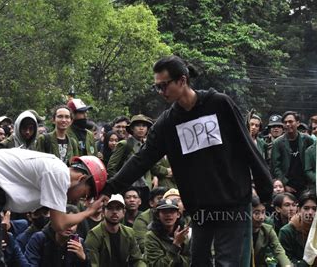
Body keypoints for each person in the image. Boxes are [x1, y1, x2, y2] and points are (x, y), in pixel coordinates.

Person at [101, 55, 272, 265]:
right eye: (157, 87)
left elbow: (246, 144)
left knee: (228, 263)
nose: (161, 92)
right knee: (199, 260)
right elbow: (142, 159)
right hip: (200, 206)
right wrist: (110, 188)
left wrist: (265, 187)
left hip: (232, 201)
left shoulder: (219, 104)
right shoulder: (167, 122)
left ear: (182, 80)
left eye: (164, 85)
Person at [0, 149, 106, 266]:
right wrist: (89, 212)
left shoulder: (53, 168)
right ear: (82, 178)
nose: (81, 199)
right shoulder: (59, 173)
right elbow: (60, 224)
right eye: (85, 194)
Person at [85, 194, 145, 267]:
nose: (114, 212)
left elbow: (137, 259)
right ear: (103, 212)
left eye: (118, 208)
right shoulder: (94, 234)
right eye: (110, 208)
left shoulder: (129, 232)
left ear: (123, 213)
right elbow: (93, 264)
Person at [24, 204, 90, 267]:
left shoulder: (78, 243)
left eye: (73, 223)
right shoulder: (39, 239)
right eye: (65, 221)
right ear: (56, 221)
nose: (69, 226)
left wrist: (83, 259)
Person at [272, 111, 314, 196]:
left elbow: (313, 161)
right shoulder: (278, 143)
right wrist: (284, 184)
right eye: (285, 122)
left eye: (290, 121)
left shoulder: (307, 139)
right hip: (288, 184)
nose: (288, 124)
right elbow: (276, 167)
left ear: (298, 123)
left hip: (306, 184)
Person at [278, 190, 317, 266]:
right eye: (306, 208)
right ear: (299, 210)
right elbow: (286, 262)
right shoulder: (287, 231)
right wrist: (309, 263)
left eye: (314, 209)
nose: (310, 213)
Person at [143, 198, 190, 266]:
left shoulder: (183, 233)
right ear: (157, 215)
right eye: (164, 212)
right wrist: (176, 245)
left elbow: (189, 260)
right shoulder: (151, 236)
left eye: (172, 211)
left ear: (178, 215)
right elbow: (158, 265)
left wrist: (177, 260)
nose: (168, 215)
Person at [250, 196, 290, 266]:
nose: (261, 217)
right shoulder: (238, 232)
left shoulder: (267, 230)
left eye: (263, 212)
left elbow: (279, 251)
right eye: (256, 213)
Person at [133, 187, 168, 252]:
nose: (164, 202)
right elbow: (143, 245)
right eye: (160, 199)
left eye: (166, 198)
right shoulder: (142, 219)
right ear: (151, 203)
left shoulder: (173, 216)